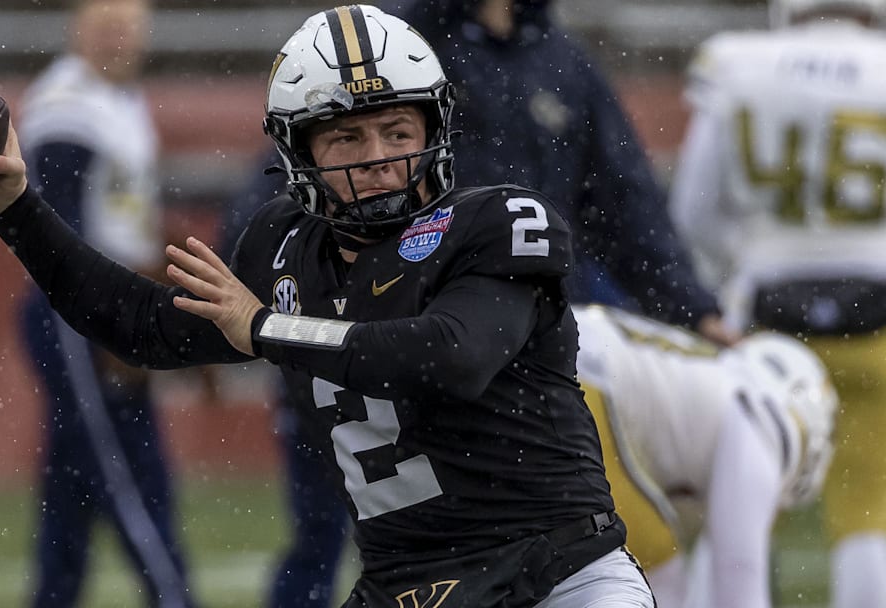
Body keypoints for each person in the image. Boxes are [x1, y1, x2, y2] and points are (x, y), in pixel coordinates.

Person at [0, 5, 655, 607]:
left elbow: (454, 355)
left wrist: (267, 330)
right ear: (300, 150)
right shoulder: (282, 246)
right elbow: (147, 328)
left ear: (435, 129)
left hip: (556, 576)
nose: (379, 158)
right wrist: (18, 212)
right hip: (404, 586)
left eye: (396, 131)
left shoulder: (501, 222)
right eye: (347, 138)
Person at [220, 2, 740, 606]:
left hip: (506, 348)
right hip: (363, 344)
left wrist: (695, 309)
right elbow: (292, 176)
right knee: (327, 530)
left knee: (542, 528)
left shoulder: (564, 62)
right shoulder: (393, 53)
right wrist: (262, 282)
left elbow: (626, 204)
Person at [667, 1, 886, 606]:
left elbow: (695, 209)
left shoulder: (739, 61)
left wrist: (744, 260)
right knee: (870, 506)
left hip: (761, 316)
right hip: (878, 319)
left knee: (741, 502)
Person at [15, 1, 194, 606]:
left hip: (109, 301)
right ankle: (174, 596)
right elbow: (62, 229)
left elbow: (122, 216)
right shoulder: (68, 100)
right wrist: (110, 318)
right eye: (106, 27)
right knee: (128, 472)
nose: (119, 41)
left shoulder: (123, 100)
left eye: (129, 27)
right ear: (78, 30)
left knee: (74, 480)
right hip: (80, 310)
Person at [573, 304, 837, 608]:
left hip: (553, 356)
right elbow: (739, 589)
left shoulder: (715, 383)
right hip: (582, 379)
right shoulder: (759, 418)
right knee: (649, 575)